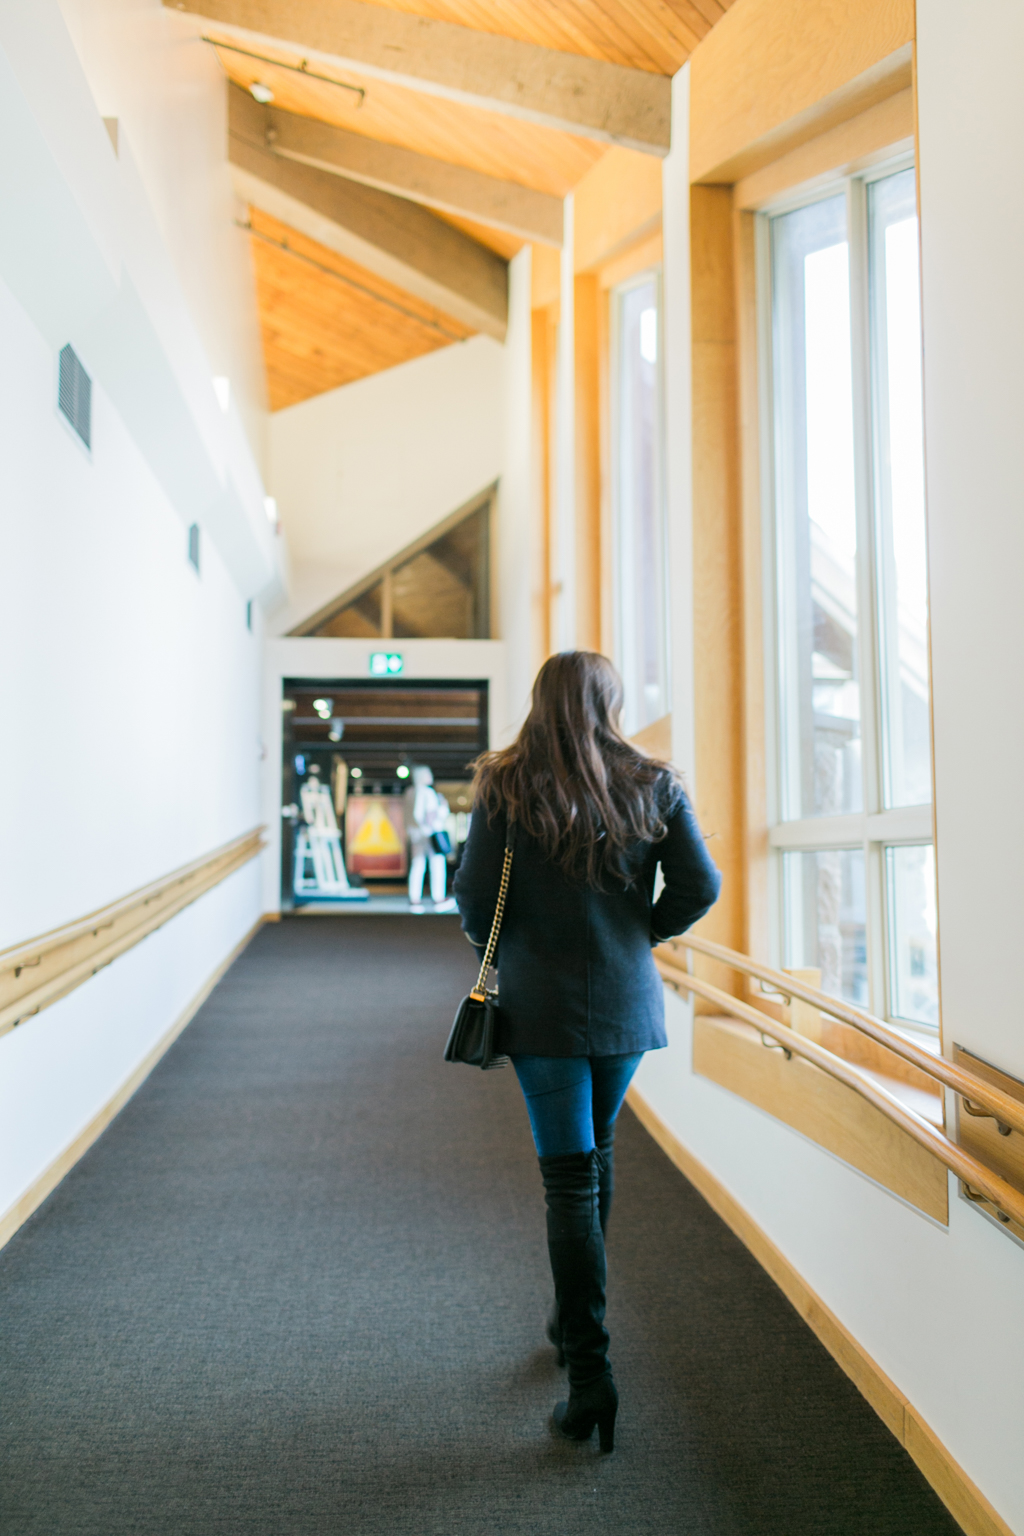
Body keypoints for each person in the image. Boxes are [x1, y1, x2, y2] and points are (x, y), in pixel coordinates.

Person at [453, 651, 721, 1454]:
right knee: (594, 1154)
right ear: (612, 702)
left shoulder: (505, 783)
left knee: (568, 1176)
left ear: (539, 701)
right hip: (624, 1008)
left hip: (541, 1010)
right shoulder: (654, 782)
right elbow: (699, 886)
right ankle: (577, 1331)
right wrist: (640, 936)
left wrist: (504, 948)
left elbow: (471, 895)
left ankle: (590, 1370)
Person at [405, 765, 455, 911]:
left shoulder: (409, 792)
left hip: (415, 834)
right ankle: (438, 898)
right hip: (429, 834)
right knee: (437, 865)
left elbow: (410, 816)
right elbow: (421, 814)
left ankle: (415, 899)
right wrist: (441, 809)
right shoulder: (427, 792)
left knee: (418, 865)